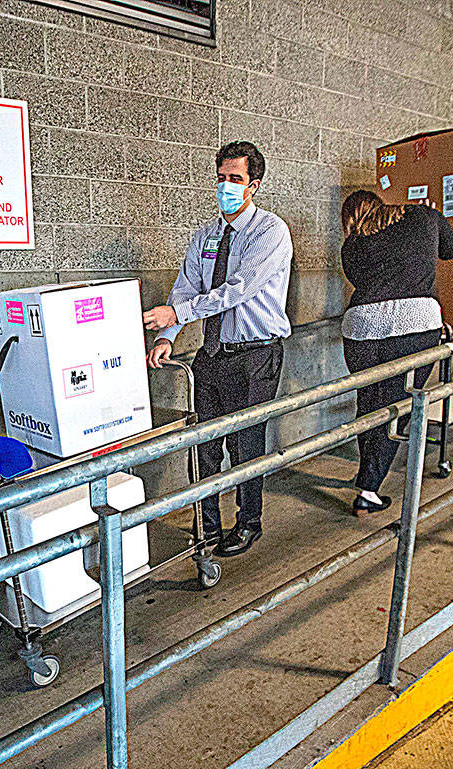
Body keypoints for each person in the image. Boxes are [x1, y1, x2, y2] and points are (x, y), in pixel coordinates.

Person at [142, 141, 292, 557]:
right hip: (212, 352)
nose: (226, 186)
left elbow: (237, 291)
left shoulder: (270, 232)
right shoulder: (205, 236)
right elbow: (186, 287)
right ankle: (207, 528)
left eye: (236, 179)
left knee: (246, 444)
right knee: (206, 446)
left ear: (254, 185)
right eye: (221, 178)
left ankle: (248, 522)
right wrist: (166, 337)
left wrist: (176, 315)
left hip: (255, 354)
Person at [339, 190, 453, 517]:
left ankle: (368, 473)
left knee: (369, 402)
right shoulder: (423, 216)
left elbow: (368, 282)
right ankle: (368, 489)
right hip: (413, 323)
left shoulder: (351, 246)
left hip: (361, 326)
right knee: (397, 405)